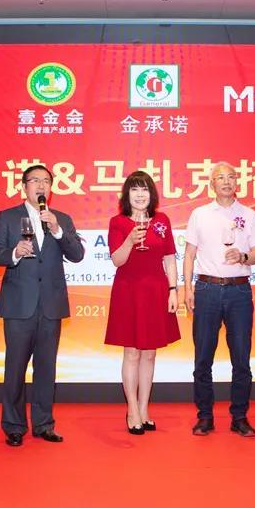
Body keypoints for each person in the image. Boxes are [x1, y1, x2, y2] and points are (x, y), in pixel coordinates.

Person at [0, 164, 85, 447]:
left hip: (51, 305)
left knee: (46, 368)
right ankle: (14, 425)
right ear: (24, 186)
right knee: (15, 368)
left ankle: (44, 424)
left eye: (46, 181)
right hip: (19, 305)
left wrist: (57, 231)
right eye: (35, 180)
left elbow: (77, 254)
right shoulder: (7, 217)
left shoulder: (61, 219)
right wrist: (14, 252)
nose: (41, 186)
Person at [183, 162, 255, 437]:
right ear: (212, 184)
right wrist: (187, 288)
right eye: (220, 177)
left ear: (237, 182)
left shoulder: (250, 215)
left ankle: (239, 417)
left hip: (239, 291)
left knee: (241, 358)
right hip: (206, 289)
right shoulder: (200, 214)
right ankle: (204, 416)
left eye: (231, 177)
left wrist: (243, 256)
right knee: (203, 357)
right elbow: (189, 254)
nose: (226, 181)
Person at [104, 171, 181, 434]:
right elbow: (117, 260)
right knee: (132, 352)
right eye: (135, 189)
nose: (140, 195)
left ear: (152, 194)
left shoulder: (162, 220)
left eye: (145, 189)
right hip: (128, 290)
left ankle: (145, 408)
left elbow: (169, 257)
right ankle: (132, 410)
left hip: (156, 290)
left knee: (150, 352)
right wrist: (129, 240)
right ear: (127, 195)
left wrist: (173, 290)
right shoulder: (117, 222)